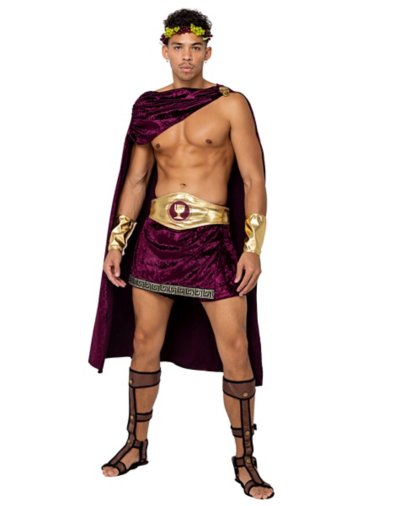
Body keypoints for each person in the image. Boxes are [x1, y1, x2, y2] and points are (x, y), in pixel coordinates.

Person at [91, 8, 275, 500]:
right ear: (165, 51)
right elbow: (136, 180)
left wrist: (253, 248)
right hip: (155, 242)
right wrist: (116, 242)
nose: (187, 57)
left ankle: (245, 460)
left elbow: (254, 178)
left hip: (213, 243)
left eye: (196, 48)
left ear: (208, 51)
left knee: (235, 348)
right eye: (178, 48)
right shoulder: (149, 106)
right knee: (144, 342)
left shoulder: (231, 104)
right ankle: (136, 444)